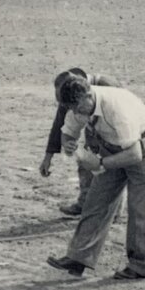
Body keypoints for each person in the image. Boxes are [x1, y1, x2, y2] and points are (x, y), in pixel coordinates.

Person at [47, 78, 145, 280]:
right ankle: (79, 257)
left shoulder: (117, 110)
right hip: (112, 146)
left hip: (144, 146)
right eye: (71, 108)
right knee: (96, 201)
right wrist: (68, 144)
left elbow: (134, 155)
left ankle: (142, 266)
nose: (75, 112)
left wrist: (101, 164)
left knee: (143, 207)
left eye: (77, 107)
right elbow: (67, 133)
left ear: (88, 95)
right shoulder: (78, 105)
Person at [40, 67, 122, 216]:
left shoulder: (106, 85)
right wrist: (48, 157)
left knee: (115, 168)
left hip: (117, 130)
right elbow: (60, 123)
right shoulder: (70, 92)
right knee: (84, 160)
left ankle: (114, 212)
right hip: (93, 127)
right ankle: (84, 204)